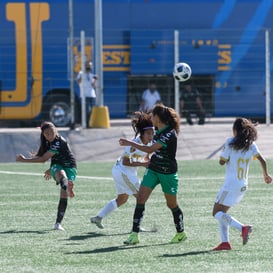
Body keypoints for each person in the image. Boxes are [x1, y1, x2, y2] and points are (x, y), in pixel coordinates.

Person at [119, 104, 187, 245]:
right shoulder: (158, 130)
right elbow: (151, 149)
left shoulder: (169, 134)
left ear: (157, 117)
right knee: (141, 199)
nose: (151, 117)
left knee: (172, 204)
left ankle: (181, 233)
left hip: (168, 173)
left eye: (152, 115)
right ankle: (134, 235)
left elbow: (150, 148)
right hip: (153, 170)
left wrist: (128, 142)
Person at [212, 117, 272, 251]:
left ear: (235, 130)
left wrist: (225, 153)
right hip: (242, 186)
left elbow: (222, 162)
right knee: (223, 214)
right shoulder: (251, 144)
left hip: (230, 185)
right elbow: (263, 160)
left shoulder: (230, 142)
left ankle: (242, 228)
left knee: (216, 212)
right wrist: (265, 175)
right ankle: (225, 243)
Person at [90, 112, 154, 229]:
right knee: (141, 197)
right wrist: (143, 164)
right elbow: (125, 162)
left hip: (124, 171)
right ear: (142, 133)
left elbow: (146, 155)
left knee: (122, 199)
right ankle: (137, 225)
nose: (151, 136)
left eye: (152, 133)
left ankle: (98, 217)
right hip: (123, 171)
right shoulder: (134, 144)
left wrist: (147, 161)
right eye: (148, 133)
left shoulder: (150, 143)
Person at [16, 121, 77, 231]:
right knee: (63, 179)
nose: (49, 135)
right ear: (43, 135)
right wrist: (51, 169)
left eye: (51, 132)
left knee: (64, 193)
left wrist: (24, 160)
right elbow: (52, 157)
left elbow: (43, 159)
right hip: (57, 166)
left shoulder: (58, 142)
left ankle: (67, 187)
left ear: (56, 130)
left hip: (71, 167)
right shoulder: (48, 142)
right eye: (46, 134)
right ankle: (67, 185)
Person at [77, 61, 98, 128]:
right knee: (85, 110)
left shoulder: (92, 75)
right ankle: (84, 123)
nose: (89, 67)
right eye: (88, 66)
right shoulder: (81, 73)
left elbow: (93, 85)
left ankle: (88, 123)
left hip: (91, 95)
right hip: (84, 95)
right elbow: (78, 81)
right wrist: (82, 75)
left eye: (90, 66)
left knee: (90, 111)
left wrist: (95, 80)